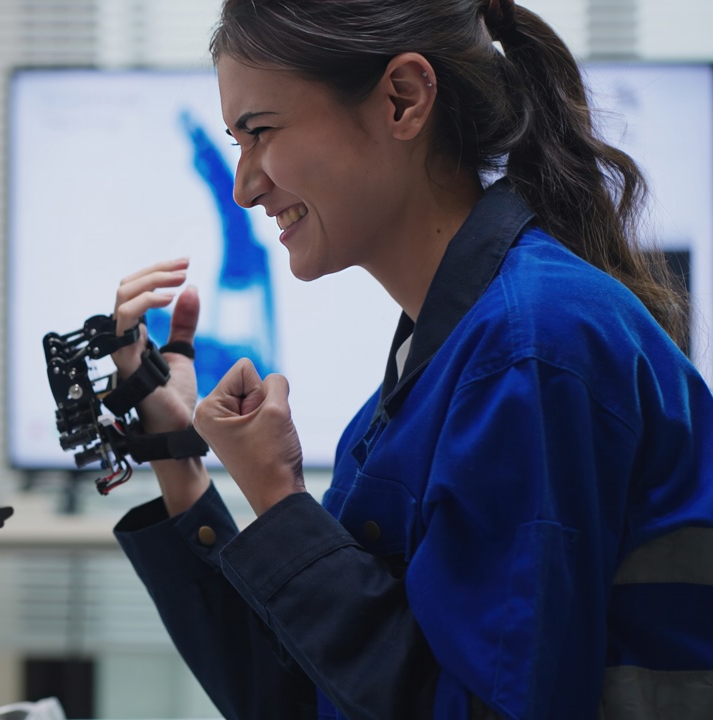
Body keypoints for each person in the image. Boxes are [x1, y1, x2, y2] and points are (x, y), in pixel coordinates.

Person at [107, 0, 713, 717]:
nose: (244, 186)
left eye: (261, 132)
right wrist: (180, 457)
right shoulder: (440, 371)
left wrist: (279, 499)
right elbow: (305, 697)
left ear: (404, 99)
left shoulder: (530, 352)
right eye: (236, 143)